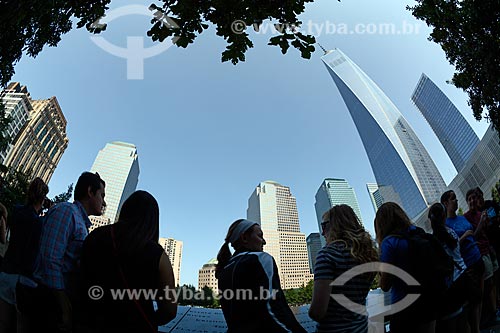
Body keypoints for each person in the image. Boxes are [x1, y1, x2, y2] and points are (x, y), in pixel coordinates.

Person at [16, 172, 105, 333]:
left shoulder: (81, 222)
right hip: (45, 299)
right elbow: (50, 259)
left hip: (52, 299)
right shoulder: (67, 212)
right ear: (90, 191)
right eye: (102, 195)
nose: (104, 202)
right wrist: (64, 305)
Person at [80, 190, 177, 332]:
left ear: (125, 210)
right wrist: (150, 319)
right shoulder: (157, 254)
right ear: (153, 220)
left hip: (91, 324)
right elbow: (169, 311)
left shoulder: (94, 237)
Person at [215, 219, 306, 333]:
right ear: (244, 238)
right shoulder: (260, 258)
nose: (264, 241)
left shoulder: (224, 269)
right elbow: (274, 307)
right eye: (260, 236)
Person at [309, 205, 378, 333]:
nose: (323, 233)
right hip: (361, 327)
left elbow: (317, 313)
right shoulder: (368, 255)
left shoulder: (327, 254)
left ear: (334, 225)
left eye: (324, 226)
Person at [374, 202, 437, 333]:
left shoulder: (389, 243)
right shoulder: (417, 232)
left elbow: (385, 285)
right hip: (429, 301)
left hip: (404, 308)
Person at [0, 178, 48, 333]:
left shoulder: (17, 210)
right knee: (21, 327)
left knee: (3, 323)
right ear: (42, 198)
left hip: (6, 270)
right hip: (24, 280)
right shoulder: (38, 222)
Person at [441, 190, 484, 333]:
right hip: (468, 266)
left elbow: (473, 233)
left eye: (455, 199)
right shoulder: (446, 226)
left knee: (479, 297)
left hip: (478, 259)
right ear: (446, 203)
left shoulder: (461, 218)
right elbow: (450, 249)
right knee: (472, 302)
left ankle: (479, 326)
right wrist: (464, 237)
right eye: (453, 199)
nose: (456, 201)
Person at [428, 203, 471, 333]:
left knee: (456, 323)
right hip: (464, 274)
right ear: (444, 215)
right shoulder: (450, 232)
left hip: (452, 282)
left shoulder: (432, 240)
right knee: (467, 319)